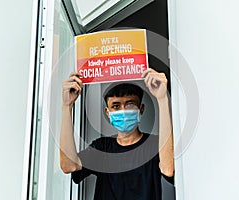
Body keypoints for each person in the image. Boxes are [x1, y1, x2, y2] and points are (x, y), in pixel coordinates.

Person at [60, 68, 174, 200]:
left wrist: (162, 98)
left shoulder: (154, 145)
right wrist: (66, 106)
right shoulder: (102, 148)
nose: (123, 111)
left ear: (141, 109)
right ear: (108, 113)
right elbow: (69, 165)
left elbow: (168, 169)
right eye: (116, 106)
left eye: (130, 104)